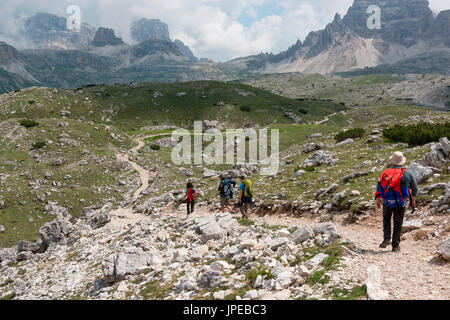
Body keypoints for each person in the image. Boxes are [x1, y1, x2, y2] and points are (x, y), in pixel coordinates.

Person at [375, 151, 418, 252]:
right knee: (398, 222)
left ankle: (386, 239)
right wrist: (413, 200)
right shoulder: (407, 173)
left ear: (392, 161)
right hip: (400, 202)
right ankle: (395, 246)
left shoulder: (385, 172)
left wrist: (378, 198)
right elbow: (414, 188)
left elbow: (379, 186)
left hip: (387, 201)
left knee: (386, 219)